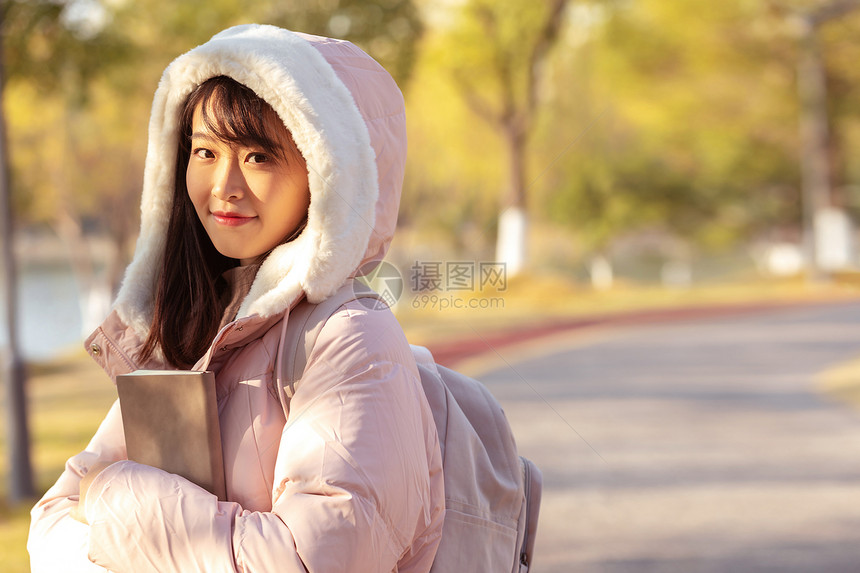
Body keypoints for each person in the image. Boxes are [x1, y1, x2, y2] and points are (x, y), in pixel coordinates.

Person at [27, 24, 445, 572]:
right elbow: (50, 526)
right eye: (204, 151)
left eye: (257, 157)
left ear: (330, 176)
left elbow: (310, 560)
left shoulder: (349, 339)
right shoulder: (195, 329)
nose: (223, 184)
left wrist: (111, 497)